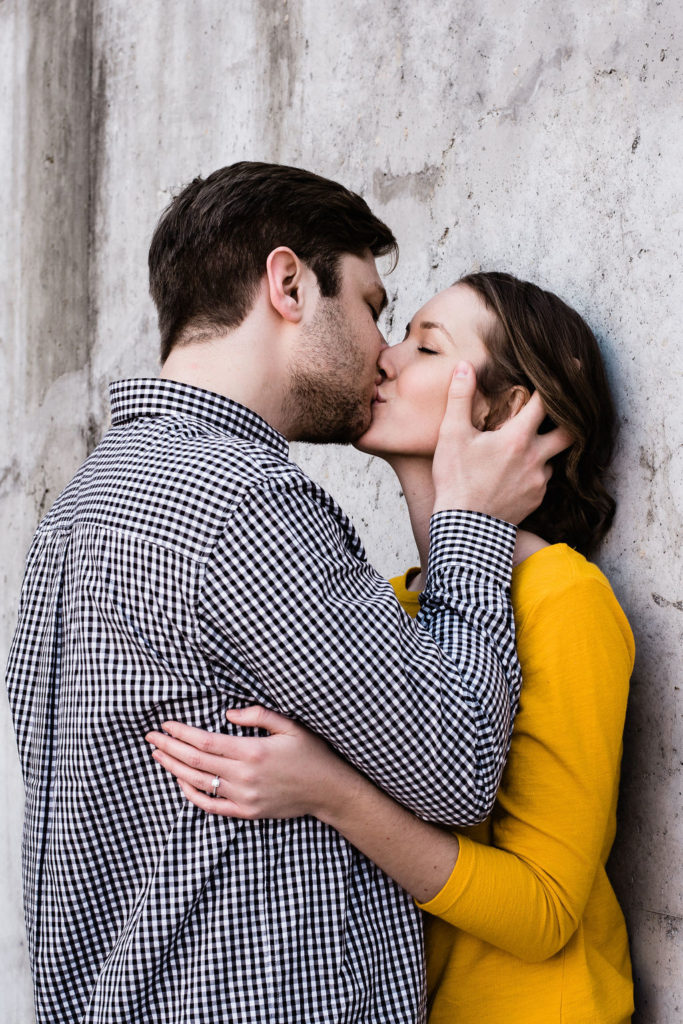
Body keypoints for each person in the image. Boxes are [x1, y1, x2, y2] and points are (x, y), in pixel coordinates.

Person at [5, 164, 569, 1024]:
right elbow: (455, 768)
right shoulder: (239, 502)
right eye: (374, 309)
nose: (381, 350)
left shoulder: (80, 505)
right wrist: (470, 522)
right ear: (288, 283)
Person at [148, 271, 635, 1023]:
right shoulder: (395, 605)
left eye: (424, 346)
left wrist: (328, 794)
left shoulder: (560, 598)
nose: (385, 357)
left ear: (505, 412)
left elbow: (543, 912)